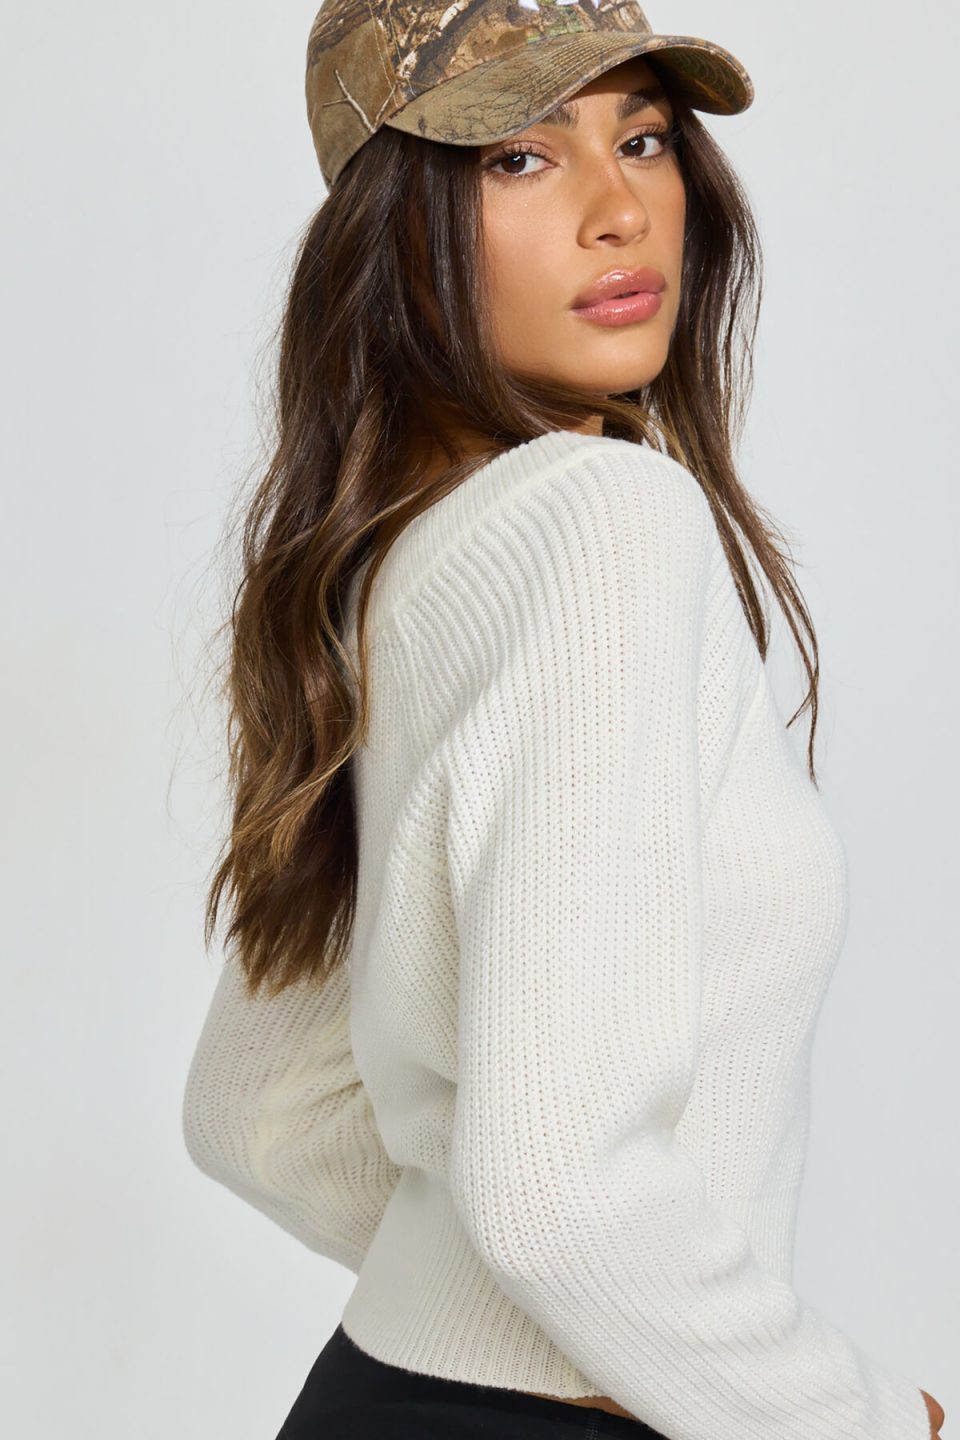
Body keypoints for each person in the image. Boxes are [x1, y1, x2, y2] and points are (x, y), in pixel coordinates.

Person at [180, 3, 945, 1437]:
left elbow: (259, 1112)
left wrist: (512, 1318)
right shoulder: (604, 523)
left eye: (643, 140)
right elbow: (558, 1193)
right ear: (391, 230)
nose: (619, 211)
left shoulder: (391, 569)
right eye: (520, 159)